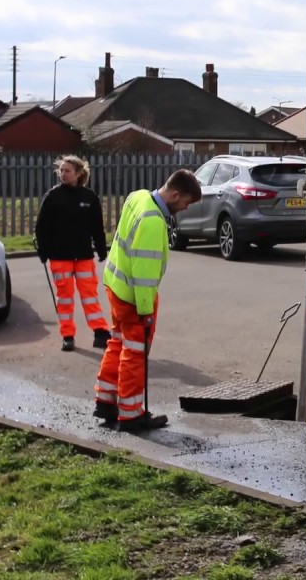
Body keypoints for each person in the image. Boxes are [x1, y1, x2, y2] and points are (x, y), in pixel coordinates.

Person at [93, 169, 201, 432]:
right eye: (186, 202)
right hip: (134, 297)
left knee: (117, 343)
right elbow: (144, 272)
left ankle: (105, 401)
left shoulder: (138, 197)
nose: (185, 208)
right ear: (175, 194)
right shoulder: (153, 221)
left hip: (116, 285)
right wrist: (145, 311)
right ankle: (131, 415)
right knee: (134, 352)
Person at [33, 156, 112, 352]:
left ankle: (100, 332)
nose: (63, 174)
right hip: (60, 257)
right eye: (61, 170)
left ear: (79, 173)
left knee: (90, 296)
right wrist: (43, 250)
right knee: (65, 299)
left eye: (67, 170)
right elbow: (41, 227)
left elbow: (97, 227)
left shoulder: (89, 197)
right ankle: (67, 336)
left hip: (84, 255)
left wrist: (101, 249)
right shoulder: (52, 196)